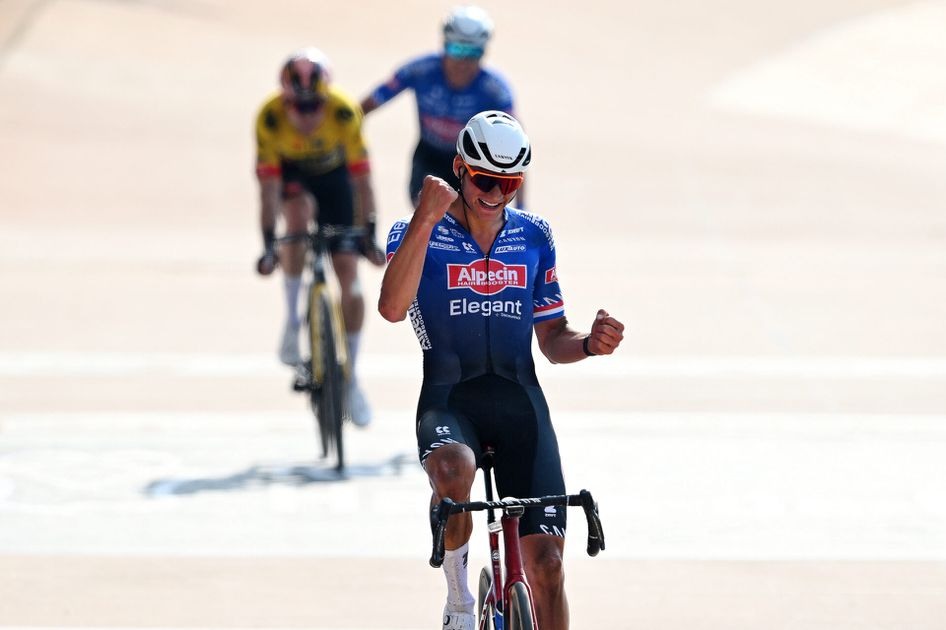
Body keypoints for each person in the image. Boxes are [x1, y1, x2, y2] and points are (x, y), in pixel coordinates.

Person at [378, 111, 624, 630]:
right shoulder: (414, 230)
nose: (495, 194)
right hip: (451, 400)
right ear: (459, 169)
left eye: (509, 184)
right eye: (484, 180)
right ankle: (459, 603)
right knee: (453, 470)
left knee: (549, 567)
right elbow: (392, 308)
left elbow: (553, 338)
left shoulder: (535, 235)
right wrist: (424, 219)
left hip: (519, 403)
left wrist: (589, 344)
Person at [254, 48, 384, 427]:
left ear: (326, 100)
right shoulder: (270, 118)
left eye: (315, 107)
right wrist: (268, 243)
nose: (308, 116)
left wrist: (369, 234)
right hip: (294, 179)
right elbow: (268, 190)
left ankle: (352, 378)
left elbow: (363, 181)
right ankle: (293, 322)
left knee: (351, 283)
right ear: (285, 100)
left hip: (335, 181)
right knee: (297, 213)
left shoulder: (344, 112)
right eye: (300, 107)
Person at [360, 6, 525, 208]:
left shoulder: (495, 90)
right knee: (429, 212)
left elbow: (517, 149)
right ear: (444, 44)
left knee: (467, 217)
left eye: (473, 52)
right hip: (429, 157)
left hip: (471, 162)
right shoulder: (420, 70)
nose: (463, 61)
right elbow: (368, 104)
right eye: (456, 49)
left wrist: (521, 206)